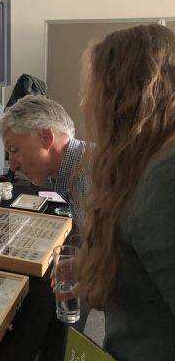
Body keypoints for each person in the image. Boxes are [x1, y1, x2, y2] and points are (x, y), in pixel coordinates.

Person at [77, 24, 175, 360]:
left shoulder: (165, 177)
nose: (84, 101)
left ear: (123, 95)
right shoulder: (148, 161)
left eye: (93, 87)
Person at [0, 94, 87, 229]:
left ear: (46, 137)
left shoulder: (89, 183)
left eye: (14, 150)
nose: (13, 166)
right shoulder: (76, 172)